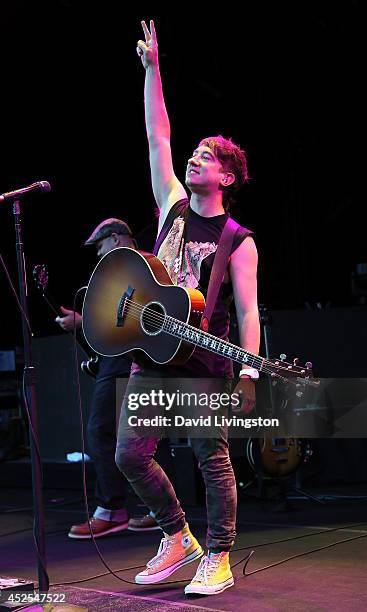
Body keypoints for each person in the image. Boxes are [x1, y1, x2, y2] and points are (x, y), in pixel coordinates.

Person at [114, 20, 260, 596]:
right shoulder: (171, 203)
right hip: (153, 350)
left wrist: (248, 370)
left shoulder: (238, 239)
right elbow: (158, 136)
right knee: (129, 453)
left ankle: (218, 555)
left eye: (207, 156)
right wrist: (153, 71)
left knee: (210, 458)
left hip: (204, 361)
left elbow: (248, 313)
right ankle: (178, 537)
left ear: (227, 176)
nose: (194, 158)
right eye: (194, 152)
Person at [56, 218, 160, 538]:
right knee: (143, 435)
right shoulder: (132, 267)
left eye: (99, 247)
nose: (97, 254)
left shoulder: (134, 265)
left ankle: (114, 510)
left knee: (102, 430)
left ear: (114, 240)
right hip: (135, 358)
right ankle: (159, 508)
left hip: (127, 358)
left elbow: (129, 314)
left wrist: (82, 320)